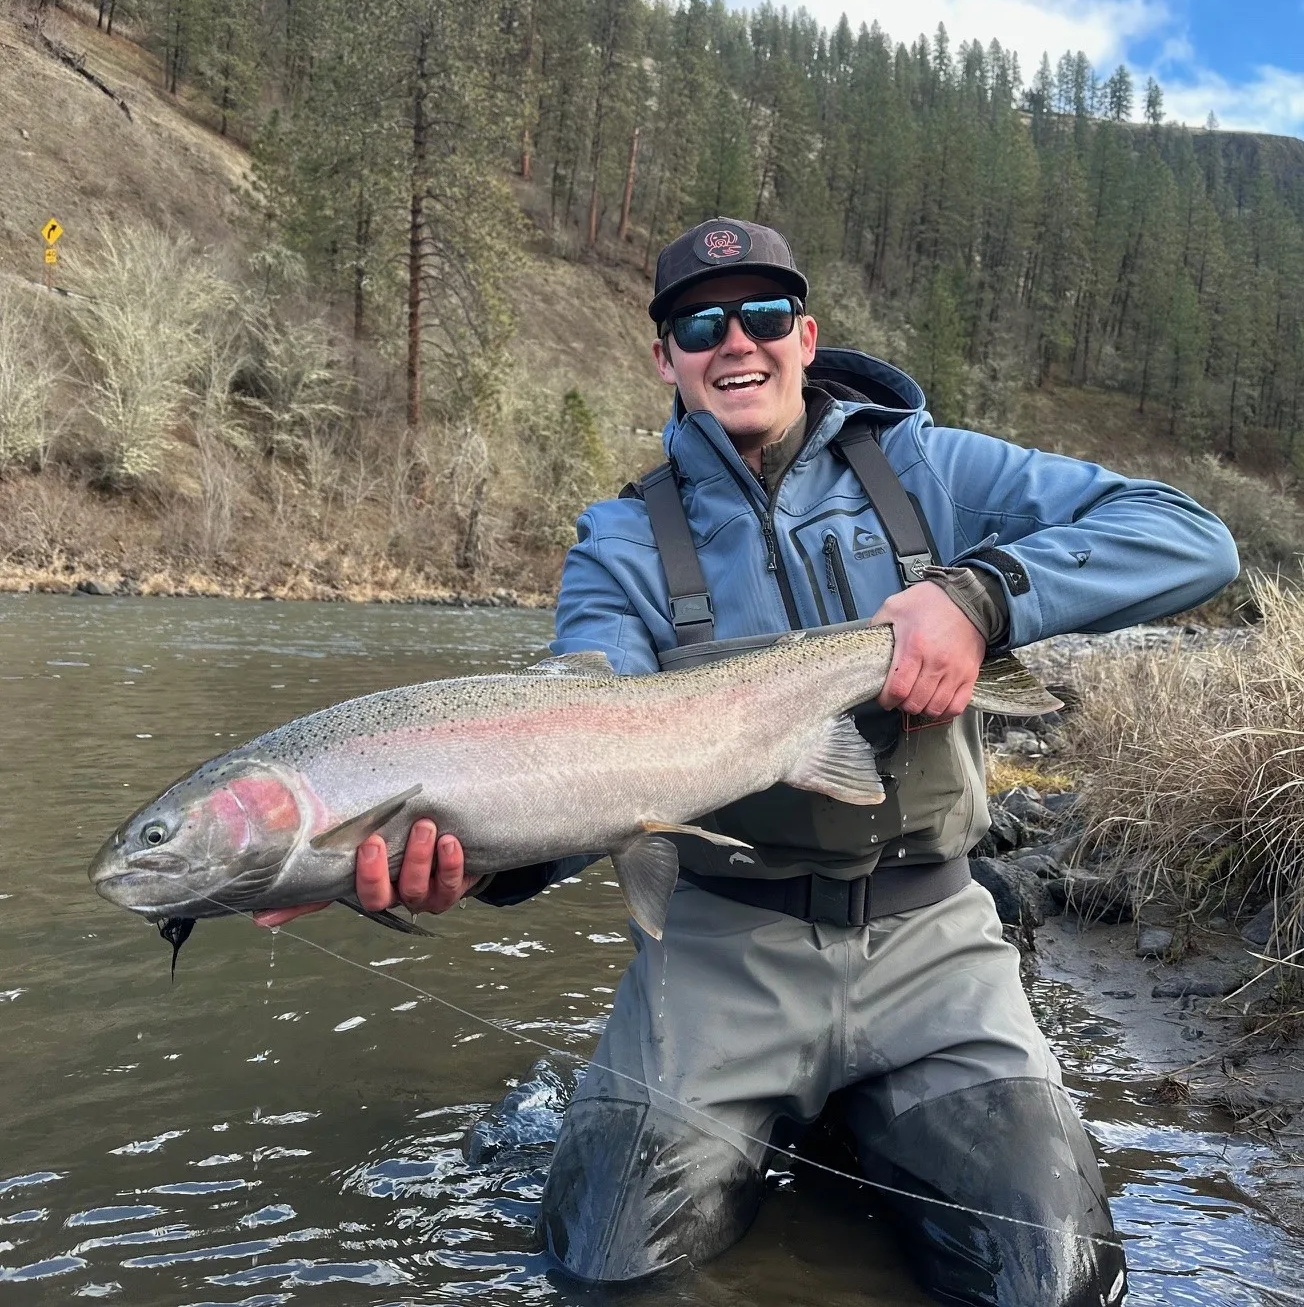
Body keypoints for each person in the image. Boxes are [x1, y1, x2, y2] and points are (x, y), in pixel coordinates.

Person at [260, 218, 1239, 1305]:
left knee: (1053, 1280)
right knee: (604, 1273)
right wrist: (482, 860)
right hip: (717, 949)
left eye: (763, 315)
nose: (736, 341)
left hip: (932, 944)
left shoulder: (931, 466)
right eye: (698, 322)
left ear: (805, 335)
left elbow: (1189, 534)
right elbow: (576, 743)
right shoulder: (622, 539)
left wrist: (977, 596)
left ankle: (865, 1120)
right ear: (665, 356)